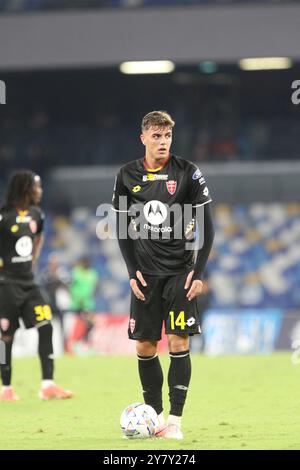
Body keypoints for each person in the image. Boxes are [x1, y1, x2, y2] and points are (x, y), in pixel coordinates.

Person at [112, 111, 214, 439]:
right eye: (156, 136)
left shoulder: (187, 172)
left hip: (179, 274)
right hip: (145, 276)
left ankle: (176, 421)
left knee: (177, 340)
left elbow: (207, 227)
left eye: (167, 136)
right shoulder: (127, 175)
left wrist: (197, 272)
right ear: (143, 137)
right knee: (144, 346)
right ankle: (154, 419)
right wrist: (131, 272)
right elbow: (121, 229)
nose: (163, 142)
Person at [0, 171, 73, 401]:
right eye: (37, 187)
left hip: (29, 283)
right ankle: (6, 388)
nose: (40, 191)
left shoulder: (37, 214)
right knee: (5, 338)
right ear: (26, 189)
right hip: (6, 284)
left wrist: (33, 259)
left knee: (46, 325)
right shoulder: (4, 216)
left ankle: (47, 385)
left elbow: (38, 238)